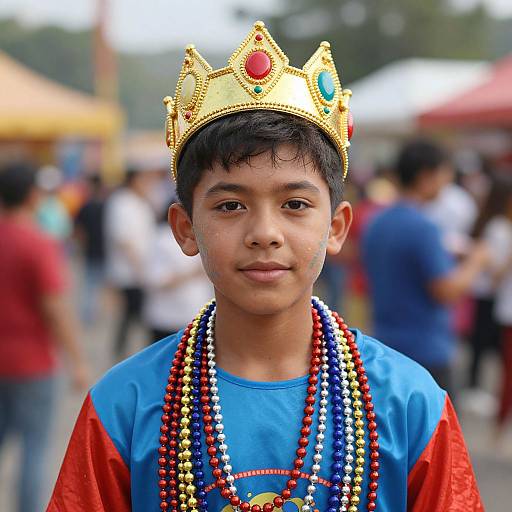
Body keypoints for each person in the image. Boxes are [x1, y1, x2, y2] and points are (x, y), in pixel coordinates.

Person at [48, 23, 483, 512]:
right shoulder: (125, 407)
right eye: (230, 206)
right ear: (185, 228)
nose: (265, 232)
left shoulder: (407, 404)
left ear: (337, 227)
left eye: (295, 204)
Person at [362, 140, 489, 400]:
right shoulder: (424, 228)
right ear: (426, 175)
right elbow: (446, 291)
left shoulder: (376, 222)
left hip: (384, 344)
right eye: (445, 174)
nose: (446, 183)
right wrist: (477, 260)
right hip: (426, 351)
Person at [0, 162, 89, 512]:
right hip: (33, 361)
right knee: (34, 447)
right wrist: (78, 361)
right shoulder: (38, 244)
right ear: (34, 195)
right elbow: (56, 309)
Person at [104, 167, 157, 357]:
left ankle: (126, 350)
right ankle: (123, 352)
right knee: (133, 313)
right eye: (145, 180)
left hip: (142, 269)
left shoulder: (139, 202)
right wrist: (140, 269)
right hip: (130, 271)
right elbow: (124, 239)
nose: (149, 185)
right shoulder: (122, 202)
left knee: (133, 314)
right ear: (134, 179)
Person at [144, 206, 213, 342]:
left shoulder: (203, 235)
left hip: (194, 316)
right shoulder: (162, 239)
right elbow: (156, 280)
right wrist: (191, 274)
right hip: (166, 318)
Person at [75, 174, 107, 325]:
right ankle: (96, 316)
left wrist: (81, 246)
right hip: (104, 251)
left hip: (90, 251)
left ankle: (89, 317)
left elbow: (78, 230)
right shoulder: (106, 206)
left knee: (90, 286)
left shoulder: (85, 206)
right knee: (101, 286)